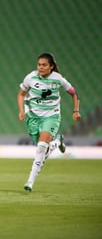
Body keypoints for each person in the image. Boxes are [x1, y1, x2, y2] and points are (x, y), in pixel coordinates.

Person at [17, 53, 80, 192]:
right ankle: (57, 142)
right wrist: (22, 111)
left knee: (40, 148)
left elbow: (73, 93)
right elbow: (21, 94)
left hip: (51, 116)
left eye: (44, 65)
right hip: (33, 117)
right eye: (39, 64)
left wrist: (76, 111)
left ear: (51, 67)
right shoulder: (31, 77)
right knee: (42, 148)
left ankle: (30, 182)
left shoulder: (58, 79)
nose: (41, 67)